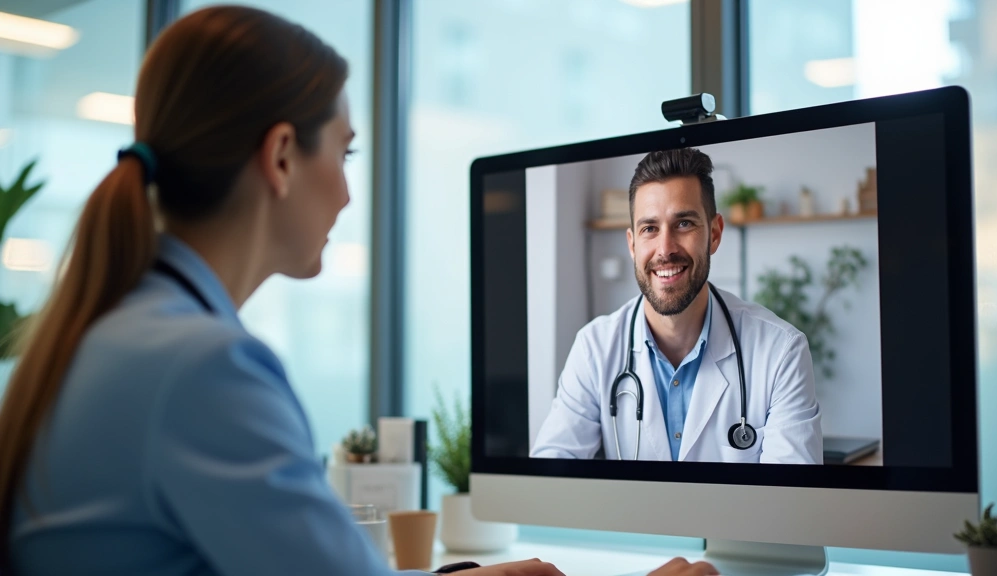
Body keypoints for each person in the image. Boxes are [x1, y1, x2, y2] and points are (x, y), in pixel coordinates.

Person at [0, 6, 717, 576]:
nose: (348, 192)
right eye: (343, 153)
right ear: (281, 157)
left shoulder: (112, 331)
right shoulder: (201, 369)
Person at [531, 148, 822, 464]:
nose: (665, 249)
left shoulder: (780, 351)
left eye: (683, 223)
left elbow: (791, 503)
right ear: (632, 243)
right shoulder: (595, 349)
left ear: (714, 234)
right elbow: (551, 478)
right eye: (650, 228)